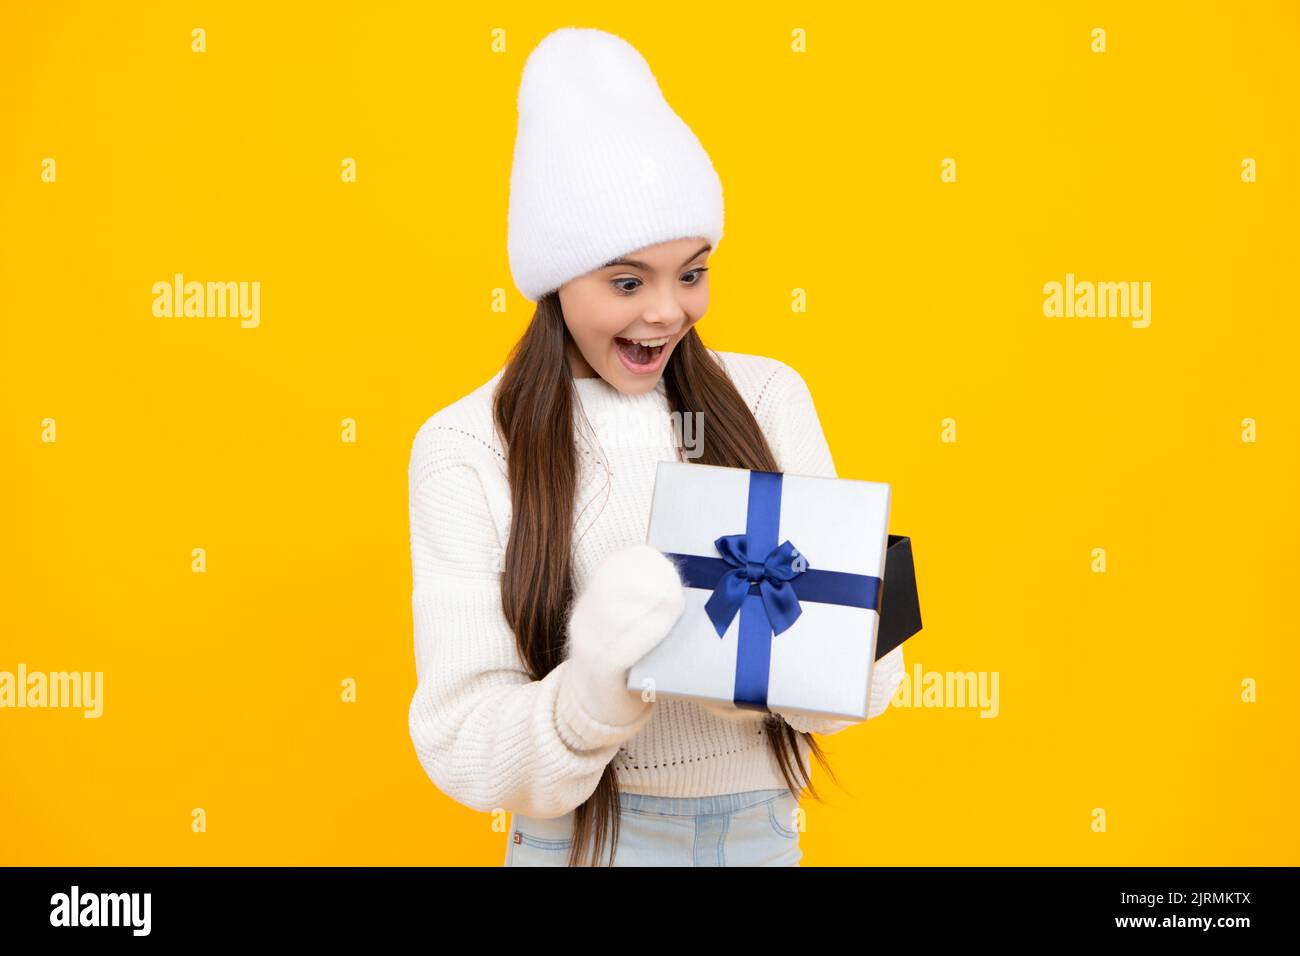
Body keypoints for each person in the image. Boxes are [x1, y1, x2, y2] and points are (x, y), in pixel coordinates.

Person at [406, 26, 905, 867]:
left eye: (694, 272)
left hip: (762, 836)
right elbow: (461, 744)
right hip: (583, 844)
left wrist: (848, 635)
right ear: (554, 278)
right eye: (627, 282)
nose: (668, 312)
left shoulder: (768, 397)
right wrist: (593, 688)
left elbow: (867, 673)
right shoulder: (466, 445)